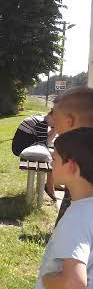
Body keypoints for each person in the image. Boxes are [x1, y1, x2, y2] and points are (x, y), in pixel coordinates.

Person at [24, 127, 93, 289]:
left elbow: (73, 283)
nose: (51, 164)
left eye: (54, 158)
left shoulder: (77, 219)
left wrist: (47, 280)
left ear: (71, 166)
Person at [49, 87, 93, 225]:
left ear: (69, 121)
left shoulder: (75, 158)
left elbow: (69, 220)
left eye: (55, 119)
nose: (53, 125)